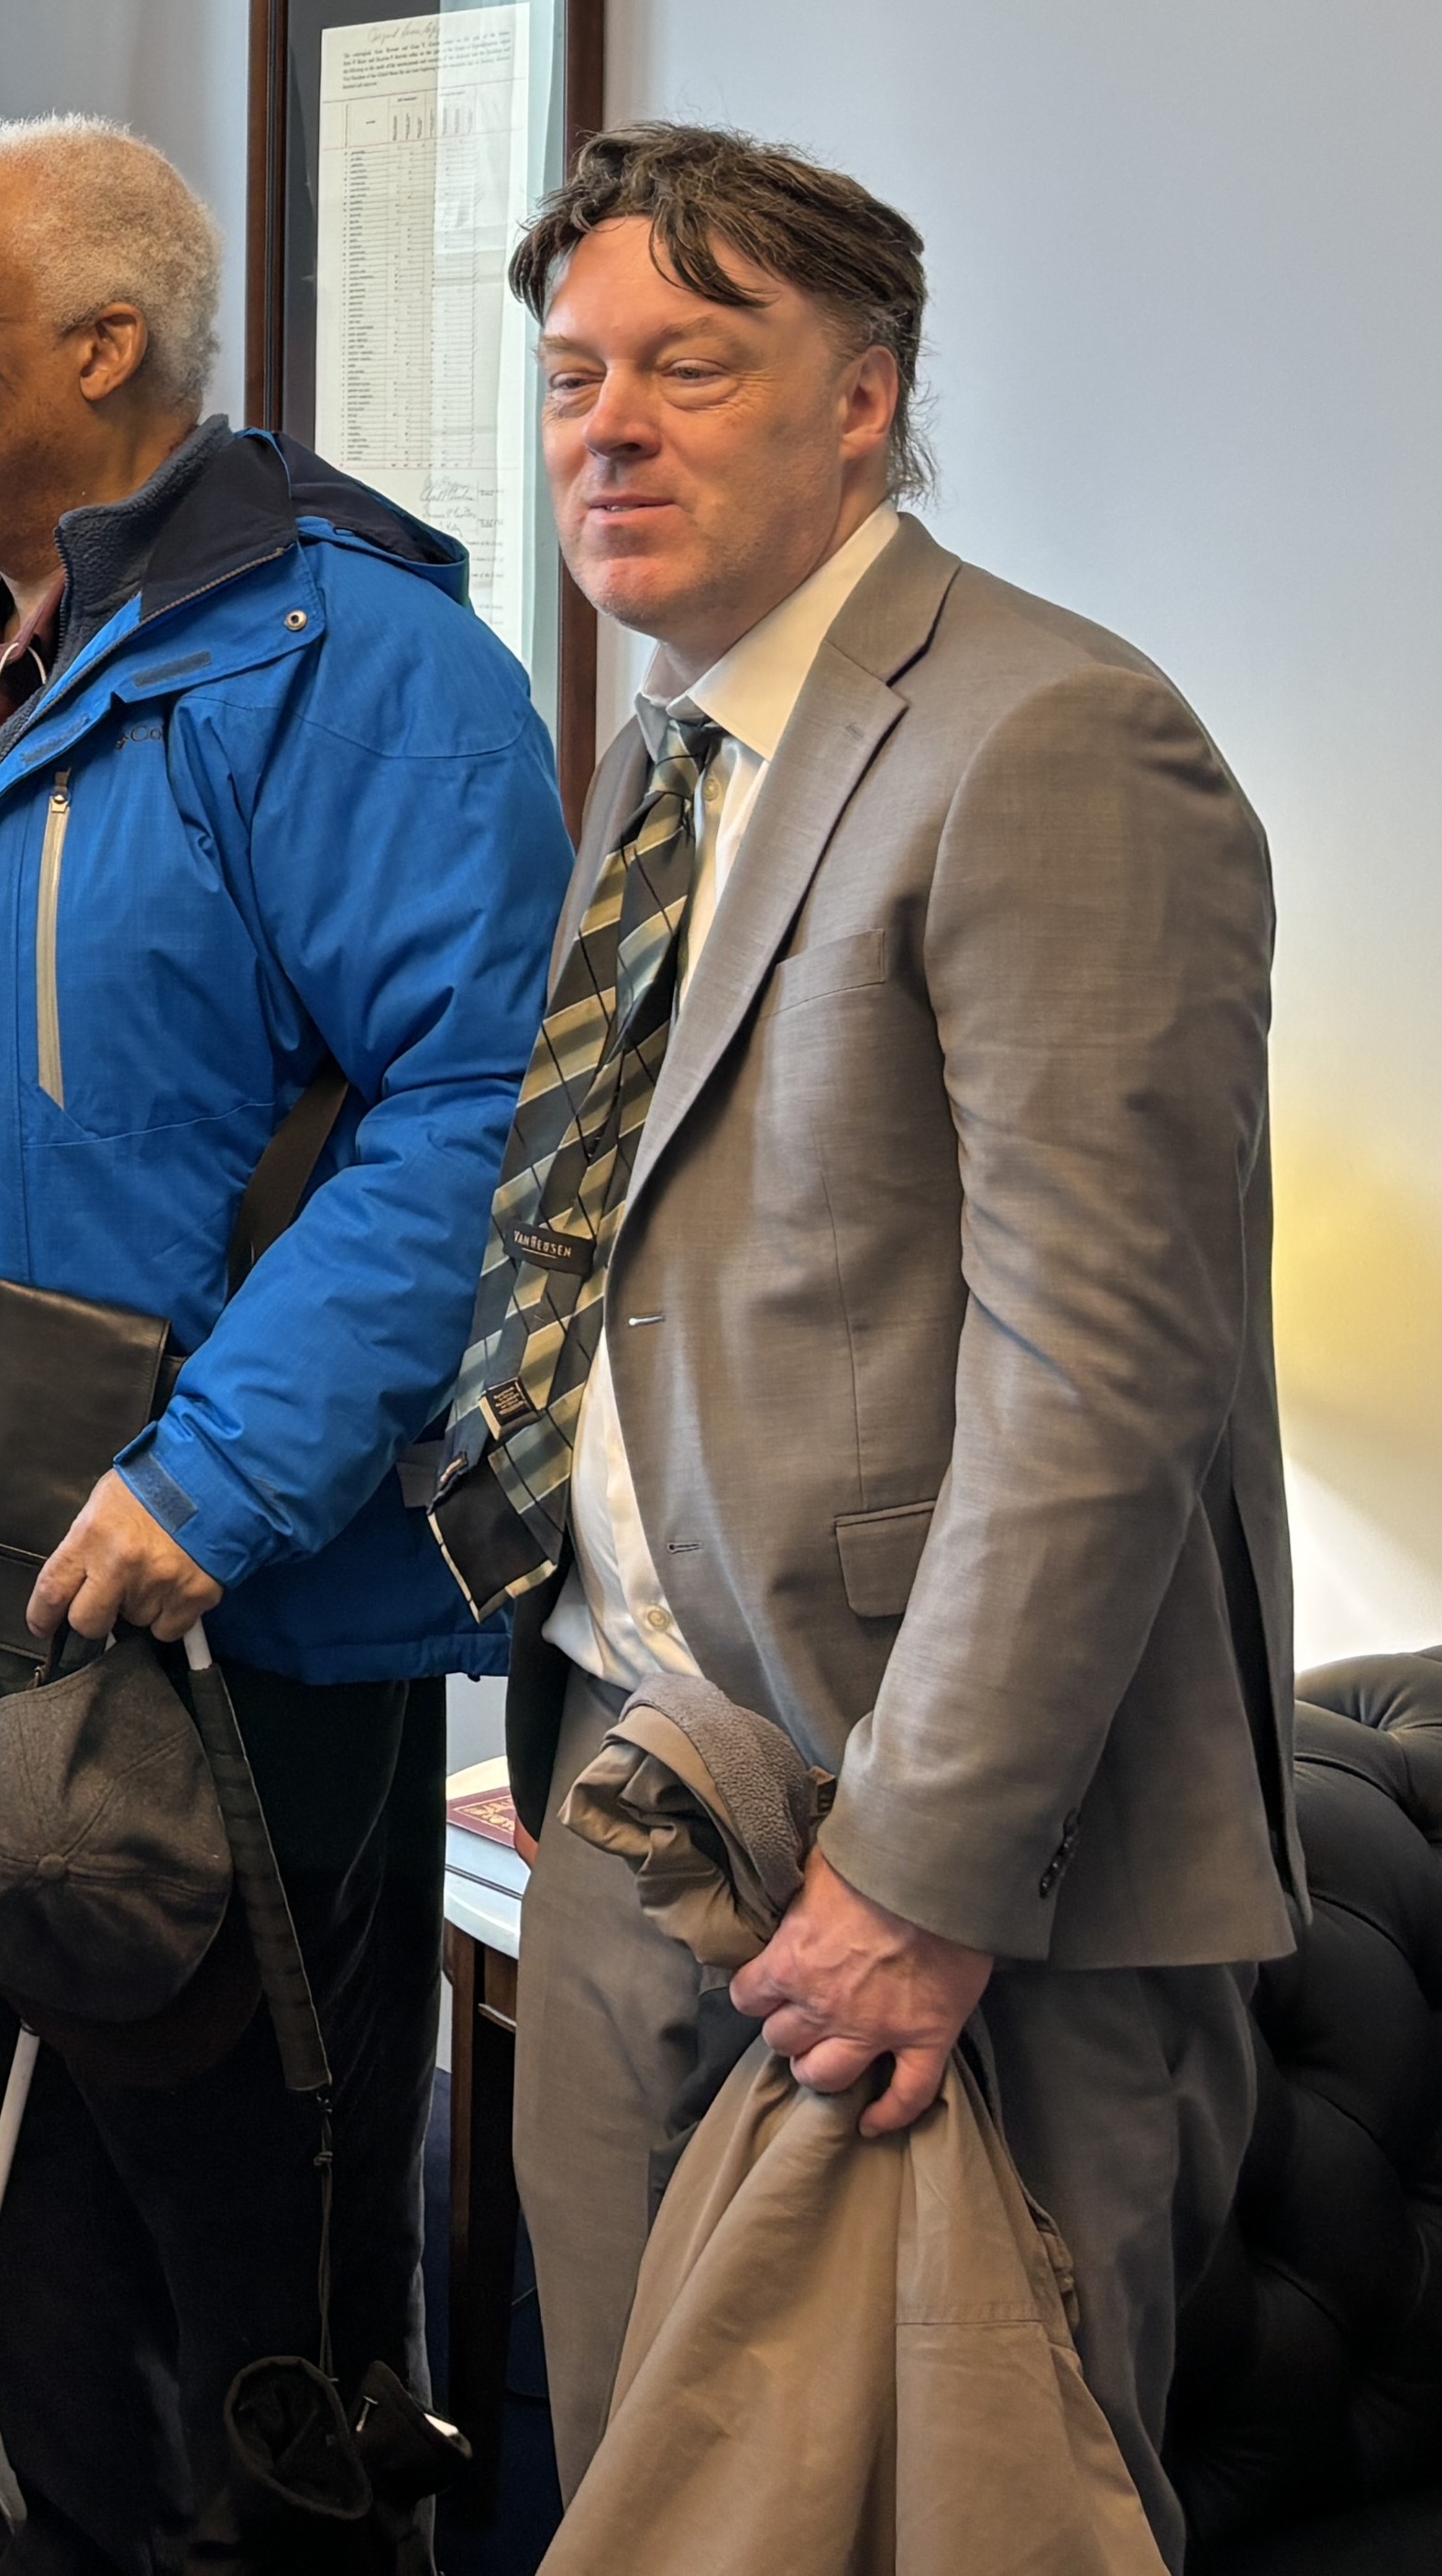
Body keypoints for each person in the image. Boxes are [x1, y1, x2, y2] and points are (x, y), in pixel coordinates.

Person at [0, 116, 572, 2557]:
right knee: (7, 2220)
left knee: (250, 2257)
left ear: (103, 347)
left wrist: (213, 1481)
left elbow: (474, 1113)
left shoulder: (365, 667)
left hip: (225, 1608)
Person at [445, 126, 1293, 2563]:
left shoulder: (1049, 740)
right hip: (645, 1782)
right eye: (573, 371)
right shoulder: (664, 745)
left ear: (861, 402)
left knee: (955, 2521)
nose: (607, 424)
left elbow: (1096, 1372)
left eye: (688, 368)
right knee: (642, 2493)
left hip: (956, 1872)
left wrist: (924, 1871)